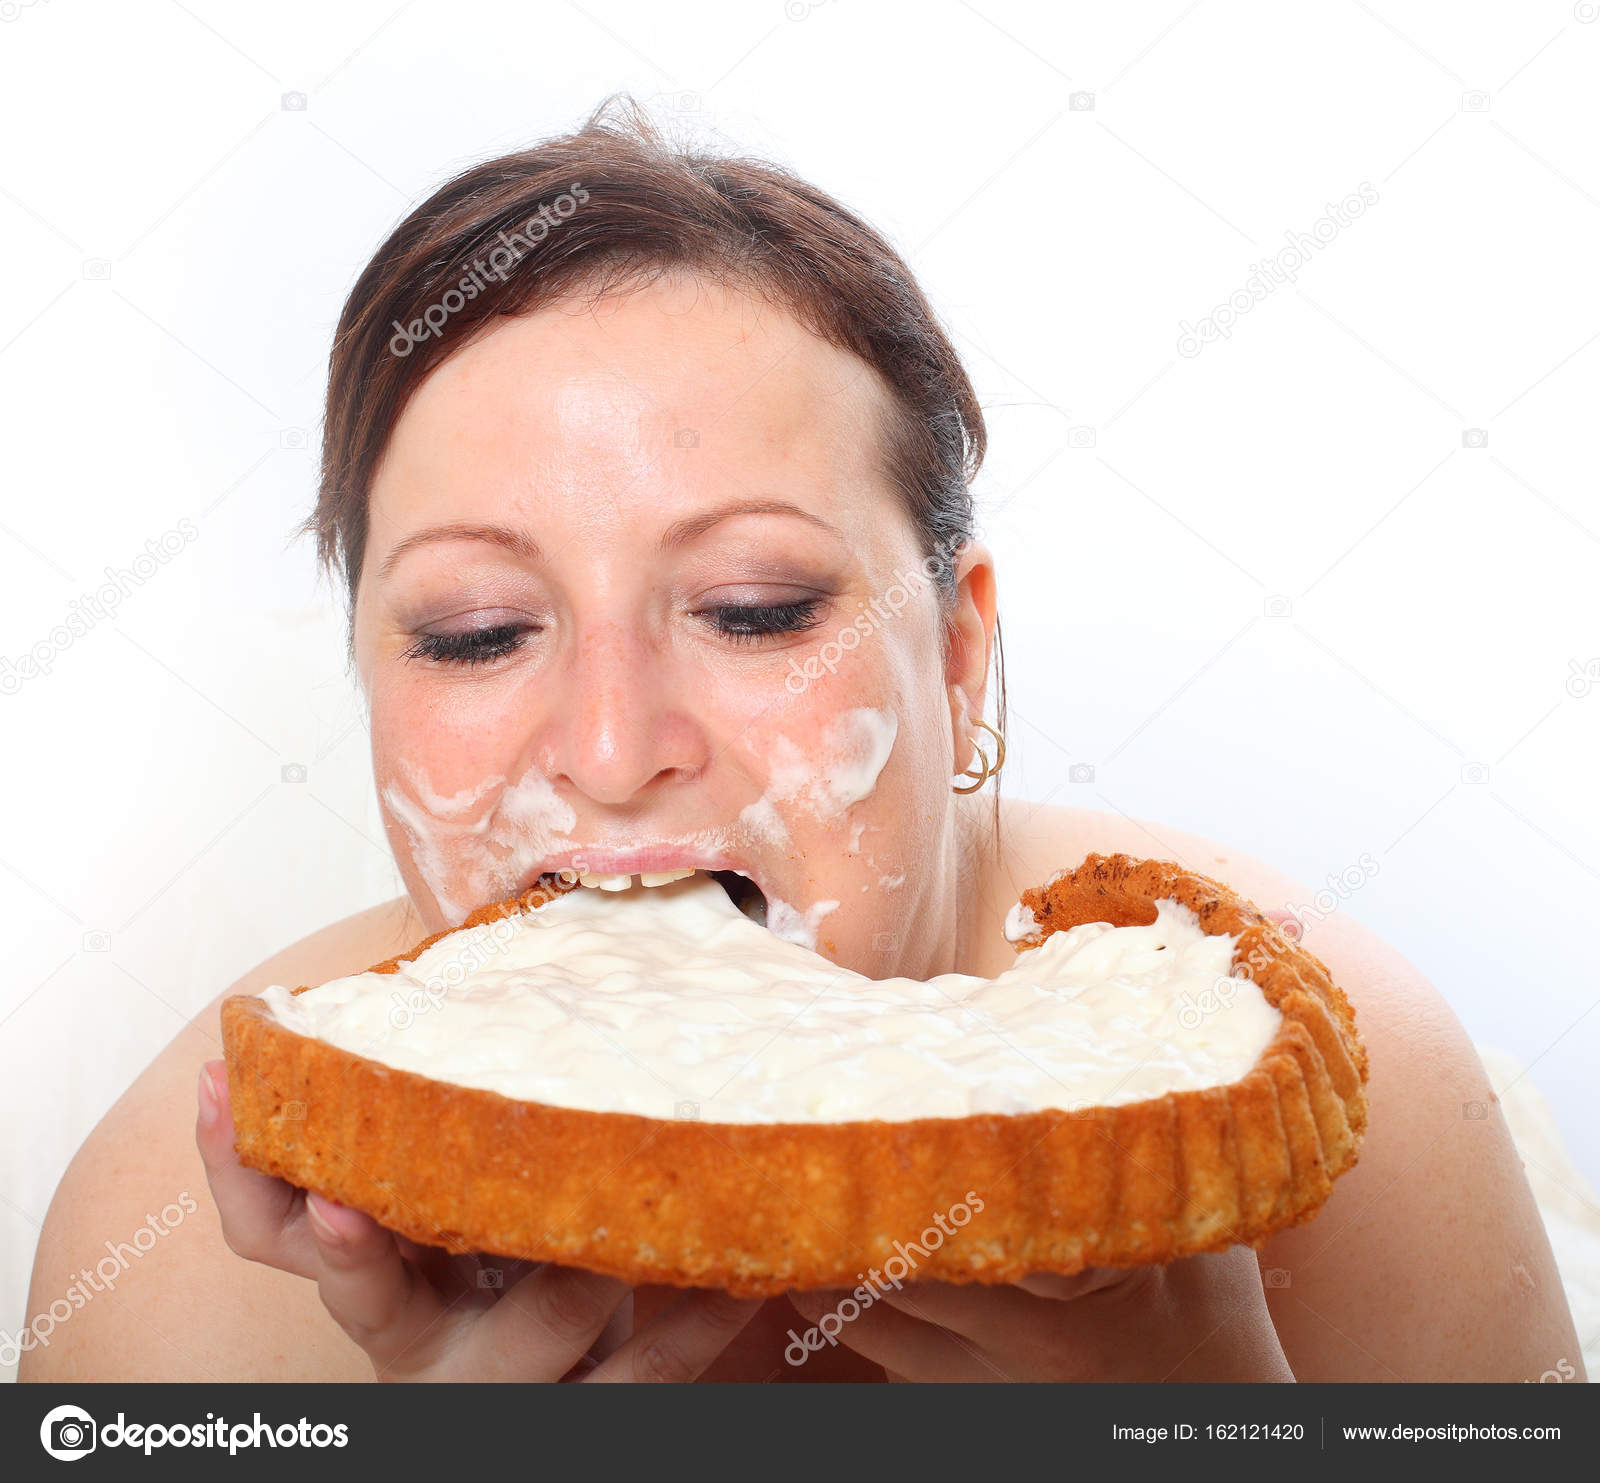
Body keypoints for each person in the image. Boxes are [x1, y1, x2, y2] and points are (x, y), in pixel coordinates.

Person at [20, 99, 1583, 1383]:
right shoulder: (177, 1262)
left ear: (959, 649)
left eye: (754, 609)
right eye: (480, 632)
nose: (615, 746)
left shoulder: (1323, 1107)